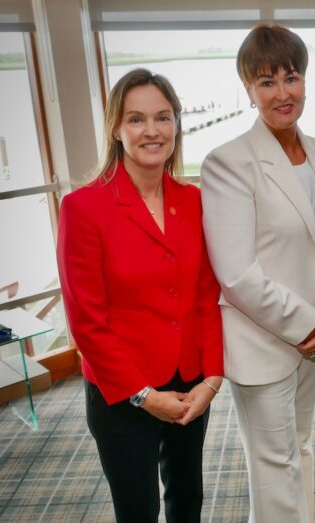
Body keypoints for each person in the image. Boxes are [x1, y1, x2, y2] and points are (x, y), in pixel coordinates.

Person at [57, 68, 224, 523]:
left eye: (162, 118)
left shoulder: (194, 201)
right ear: (116, 128)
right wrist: (144, 395)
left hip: (188, 383)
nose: (152, 130)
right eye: (136, 119)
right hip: (122, 393)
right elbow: (86, 323)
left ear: (176, 125)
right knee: (138, 512)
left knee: (187, 501)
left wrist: (211, 379)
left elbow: (206, 297)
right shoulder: (82, 208)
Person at [200, 24, 315, 523]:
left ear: (305, 80)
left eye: (291, 77)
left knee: (300, 447)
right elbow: (236, 273)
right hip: (263, 341)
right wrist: (309, 323)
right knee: (274, 467)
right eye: (267, 82)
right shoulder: (227, 163)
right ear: (248, 89)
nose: (282, 93)